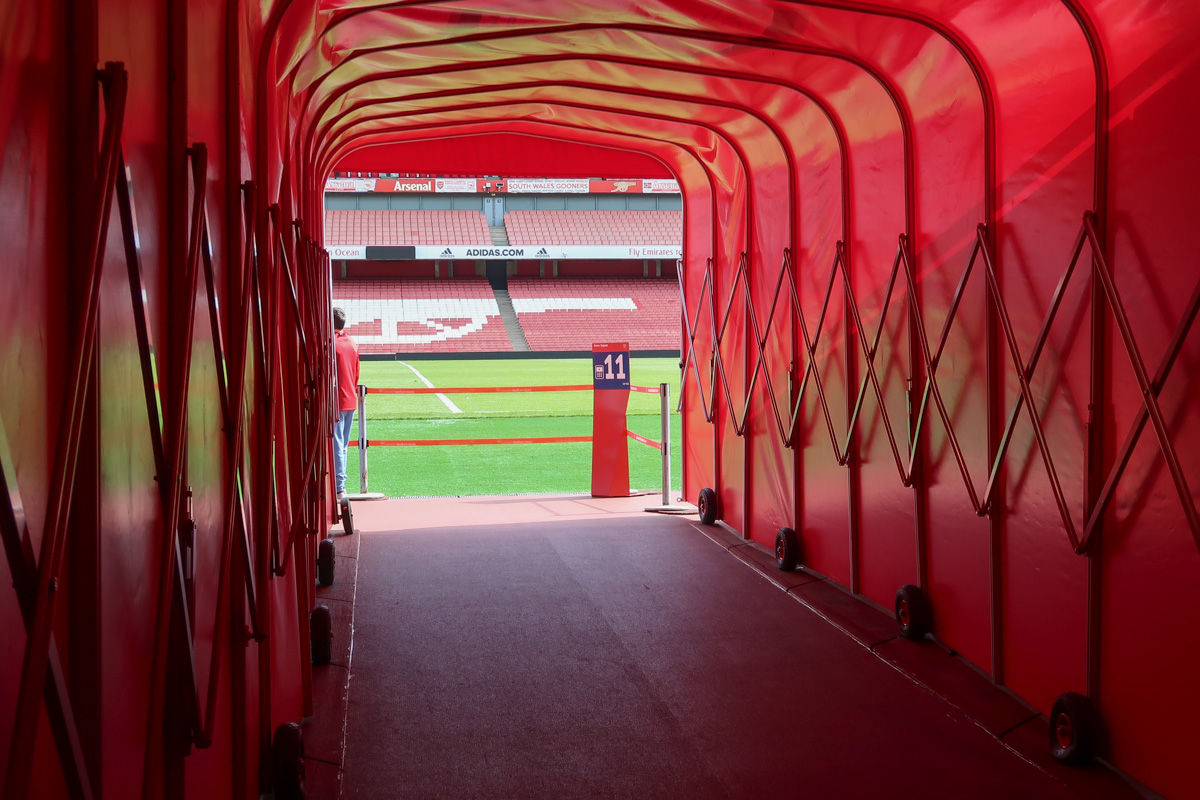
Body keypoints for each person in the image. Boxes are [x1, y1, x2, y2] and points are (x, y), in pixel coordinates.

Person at [332, 306, 360, 501]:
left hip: (336, 400)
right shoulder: (352, 343)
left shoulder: (331, 343)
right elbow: (356, 373)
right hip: (350, 398)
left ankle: (339, 486)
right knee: (343, 445)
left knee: (337, 444)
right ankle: (340, 484)